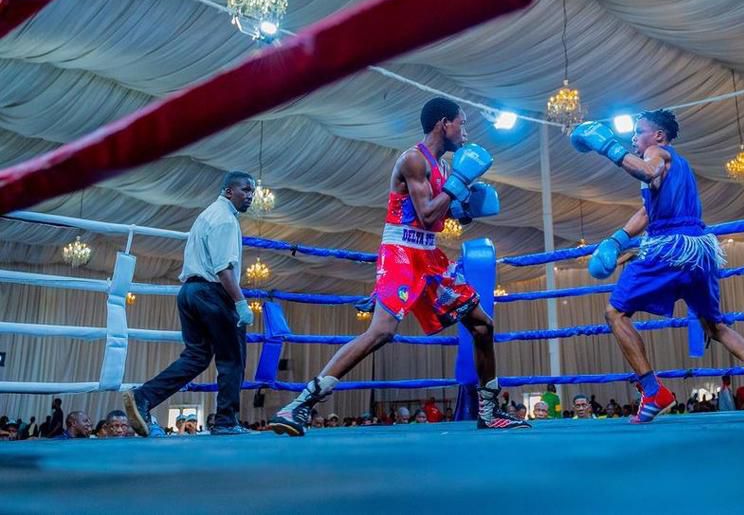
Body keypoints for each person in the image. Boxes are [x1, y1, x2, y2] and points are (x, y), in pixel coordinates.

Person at [270, 98, 528, 435]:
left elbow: (442, 216)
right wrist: (456, 187)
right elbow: (428, 214)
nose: (465, 132)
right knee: (381, 331)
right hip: (401, 253)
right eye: (461, 124)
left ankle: (490, 410)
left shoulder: (444, 169)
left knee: (482, 325)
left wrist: (466, 207)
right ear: (443, 123)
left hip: (430, 255)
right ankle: (299, 405)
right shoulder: (412, 160)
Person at [572, 111, 744, 423]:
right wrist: (617, 240)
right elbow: (648, 212)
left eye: (639, 131)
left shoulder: (655, 153)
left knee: (615, 313)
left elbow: (646, 171)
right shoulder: (680, 167)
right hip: (700, 250)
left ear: (659, 136)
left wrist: (607, 146)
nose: (634, 138)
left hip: (669, 248)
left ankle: (652, 389)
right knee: (715, 325)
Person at [123, 171, 256, 437]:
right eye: (245, 190)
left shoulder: (207, 214)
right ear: (229, 191)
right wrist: (241, 302)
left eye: (252, 191)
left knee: (196, 357)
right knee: (232, 358)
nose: (250, 196)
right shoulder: (226, 219)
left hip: (189, 292)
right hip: (212, 292)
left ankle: (144, 397)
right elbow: (223, 269)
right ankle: (226, 421)